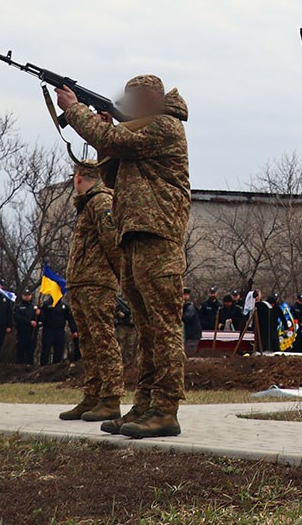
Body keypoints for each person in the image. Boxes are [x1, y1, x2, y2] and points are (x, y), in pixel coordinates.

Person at [56, 73, 190, 439]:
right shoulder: (141, 135)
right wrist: (103, 134)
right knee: (147, 331)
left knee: (162, 329)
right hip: (133, 236)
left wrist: (75, 111)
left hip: (157, 236)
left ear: (150, 100)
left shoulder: (165, 126)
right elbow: (113, 174)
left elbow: (115, 140)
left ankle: (165, 410)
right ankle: (144, 406)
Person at [59, 161, 125, 420]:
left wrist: (122, 278)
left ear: (78, 178)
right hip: (81, 282)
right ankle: (92, 396)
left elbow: (111, 242)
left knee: (103, 340)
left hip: (97, 283)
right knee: (87, 342)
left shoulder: (101, 202)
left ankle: (111, 398)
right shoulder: (87, 204)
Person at [38, 297, 76, 365]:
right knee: (46, 350)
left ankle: (56, 365)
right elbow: (42, 318)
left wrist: (74, 330)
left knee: (59, 350)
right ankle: (43, 365)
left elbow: (70, 319)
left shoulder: (64, 306)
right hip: (48, 331)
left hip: (60, 331)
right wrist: (39, 314)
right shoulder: (46, 304)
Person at [12, 289, 40, 366]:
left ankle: (29, 366)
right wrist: (29, 322)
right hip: (22, 332)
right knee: (20, 350)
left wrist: (39, 314)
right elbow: (17, 317)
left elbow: (40, 319)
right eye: (25, 295)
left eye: (29, 295)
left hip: (32, 332)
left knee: (31, 351)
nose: (27, 297)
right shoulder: (18, 306)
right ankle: (19, 366)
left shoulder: (35, 307)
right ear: (22, 296)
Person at [182, 288, 202, 355]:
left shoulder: (190, 308)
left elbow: (187, 317)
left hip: (192, 335)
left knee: (189, 353)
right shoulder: (188, 307)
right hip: (190, 335)